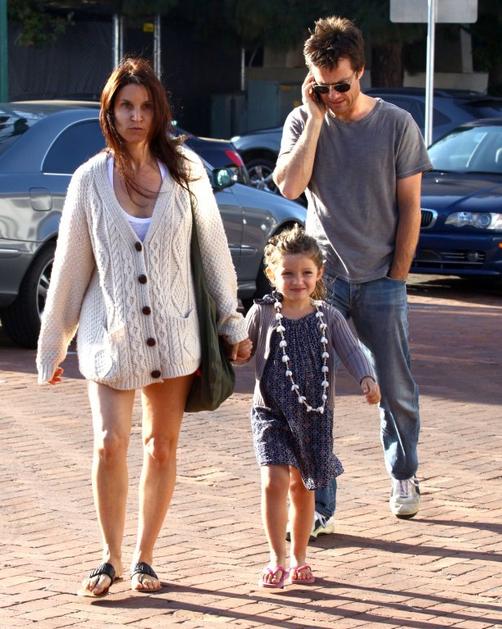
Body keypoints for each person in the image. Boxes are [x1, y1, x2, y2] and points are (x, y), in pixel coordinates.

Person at [36, 57, 251, 596]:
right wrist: (52, 345)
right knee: (109, 443)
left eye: (146, 106)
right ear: (109, 113)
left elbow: (213, 252)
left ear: (159, 112)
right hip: (110, 336)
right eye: (126, 106)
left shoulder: (186, 170)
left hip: (174, 336)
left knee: (160, 447)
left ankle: (144, 558)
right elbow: (70, 267)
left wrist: (232, 324)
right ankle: (108, 557)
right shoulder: (89, 180)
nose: (136, 116)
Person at [273, 16, 432, 532]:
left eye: (342, 85)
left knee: (395, 386)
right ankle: (319, 506)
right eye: (323, 87)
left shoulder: (397, 125)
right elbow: (290, 188)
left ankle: (403, 474)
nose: (334, 96)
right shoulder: (304, 122)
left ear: (360, 71)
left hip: (382, 278)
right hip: (323, 282)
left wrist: (398, 274)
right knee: (312, 392)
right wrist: (314, 118)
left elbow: (410, 206)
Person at [245, 225, 380, 588]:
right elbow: (242, 349)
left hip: (314, 416)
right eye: (288, 273)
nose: (297, 281)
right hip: (270, 412)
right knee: (273, 481)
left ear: (319, 274)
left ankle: (299, 558)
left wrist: (366, 377)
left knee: (303, 488)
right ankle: (276, 557)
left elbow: (352, 350)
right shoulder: (263, 313)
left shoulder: (328, 316)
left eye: (306, 273)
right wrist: (236, 350)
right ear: (272, 275)